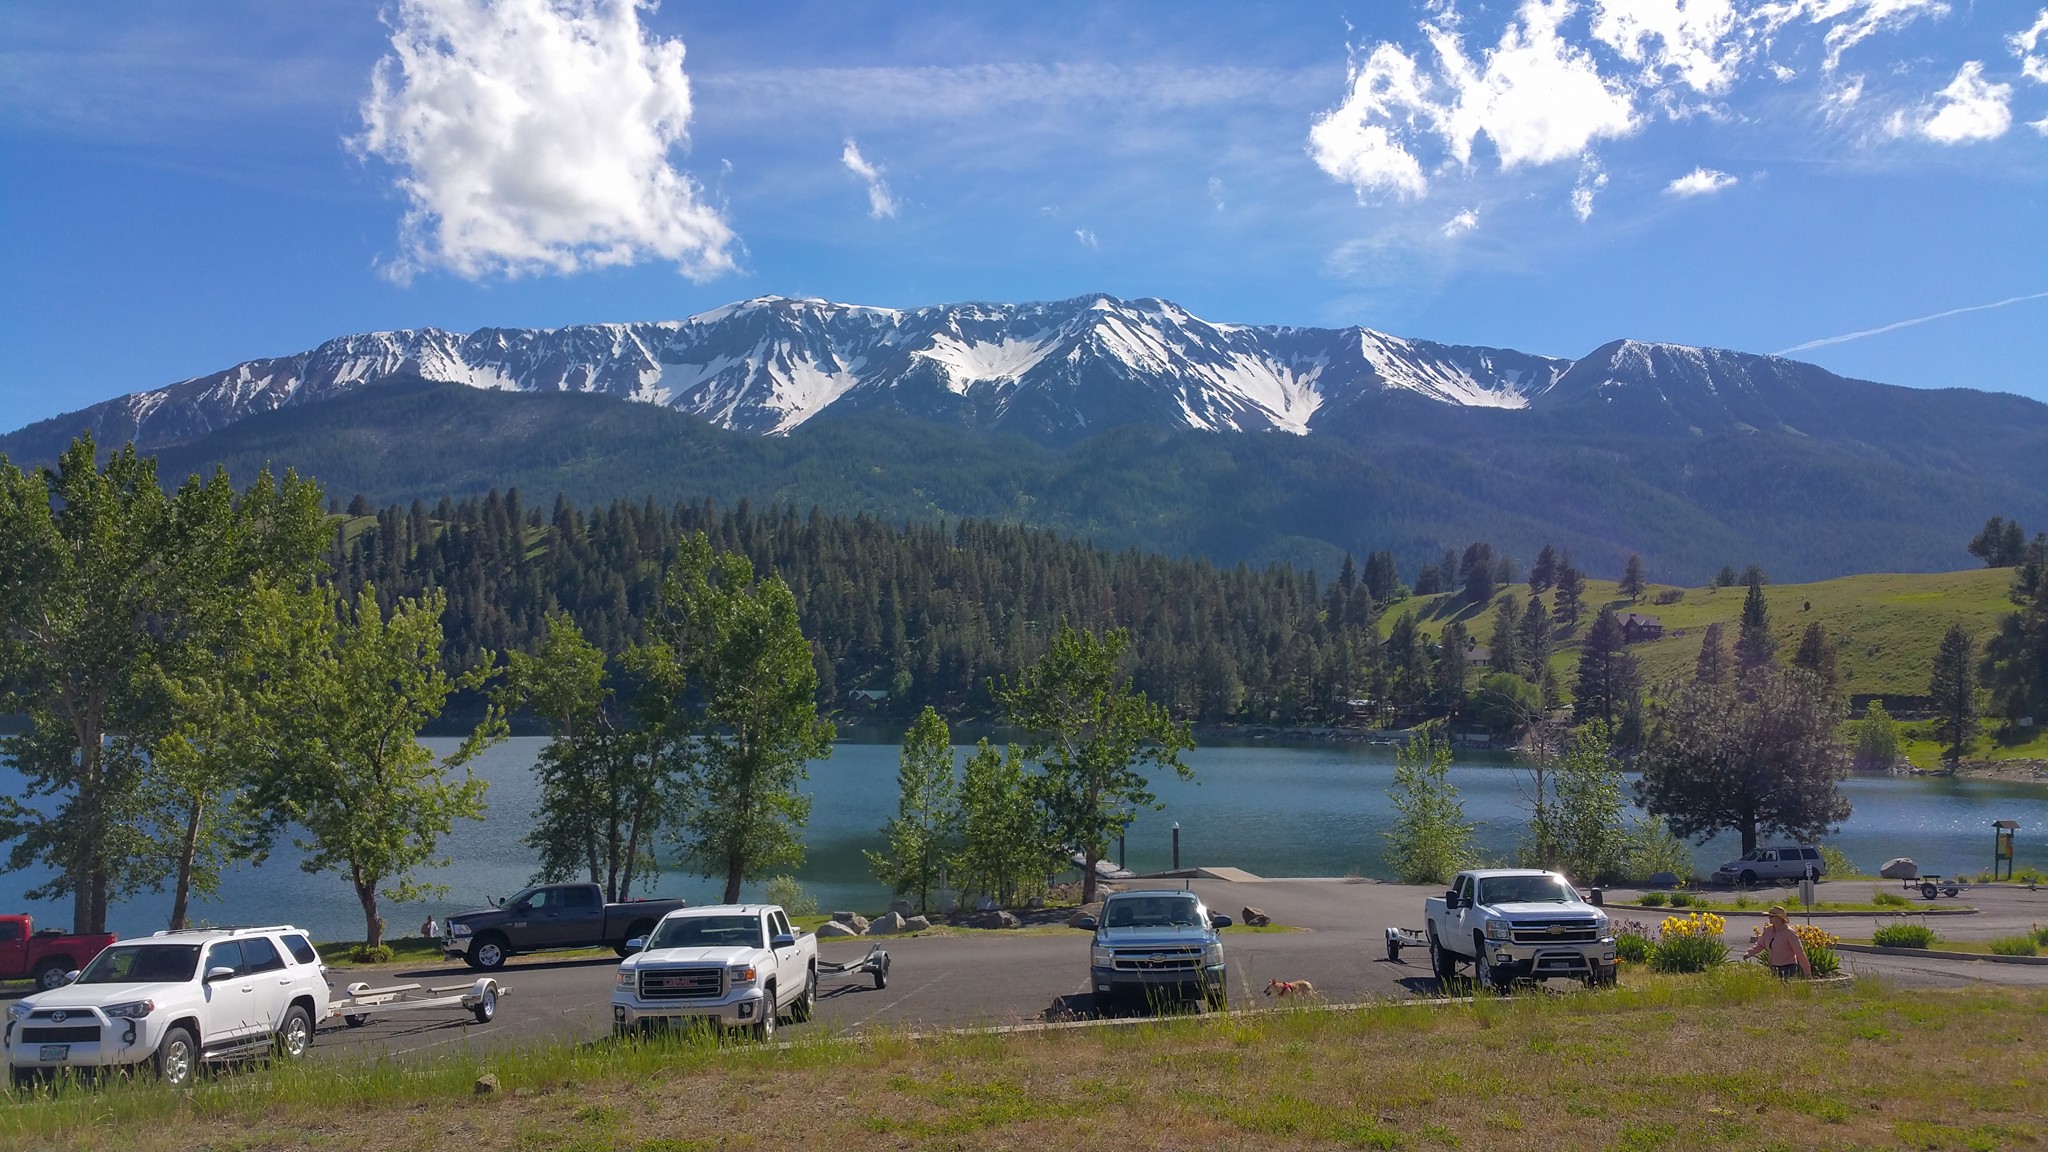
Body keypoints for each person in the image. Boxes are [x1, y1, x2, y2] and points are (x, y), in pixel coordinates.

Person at [1744, 906, 1811, 978]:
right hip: (1774, 967)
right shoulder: (1768, 931)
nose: (1769, 918)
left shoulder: (1789, 933)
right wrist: (1749, 953)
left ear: (1779, 918)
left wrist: (1807, 973)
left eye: (1771, 916)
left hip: (1788, 968)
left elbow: (1799, 952)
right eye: (1768, 916)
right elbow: (1760, 945)